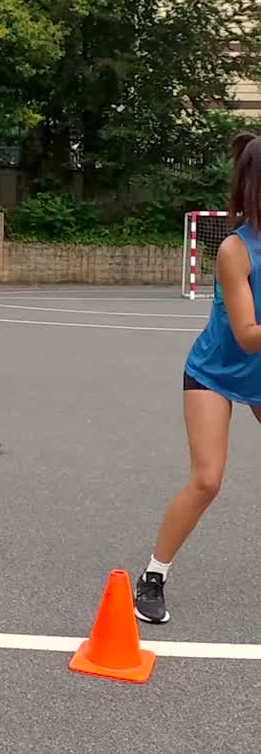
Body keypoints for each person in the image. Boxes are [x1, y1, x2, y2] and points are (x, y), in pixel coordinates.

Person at [135, 132, 261, 624]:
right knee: (207, 480)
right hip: (216, 372)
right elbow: (249, 335)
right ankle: (153, 575)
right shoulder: (236, 249)